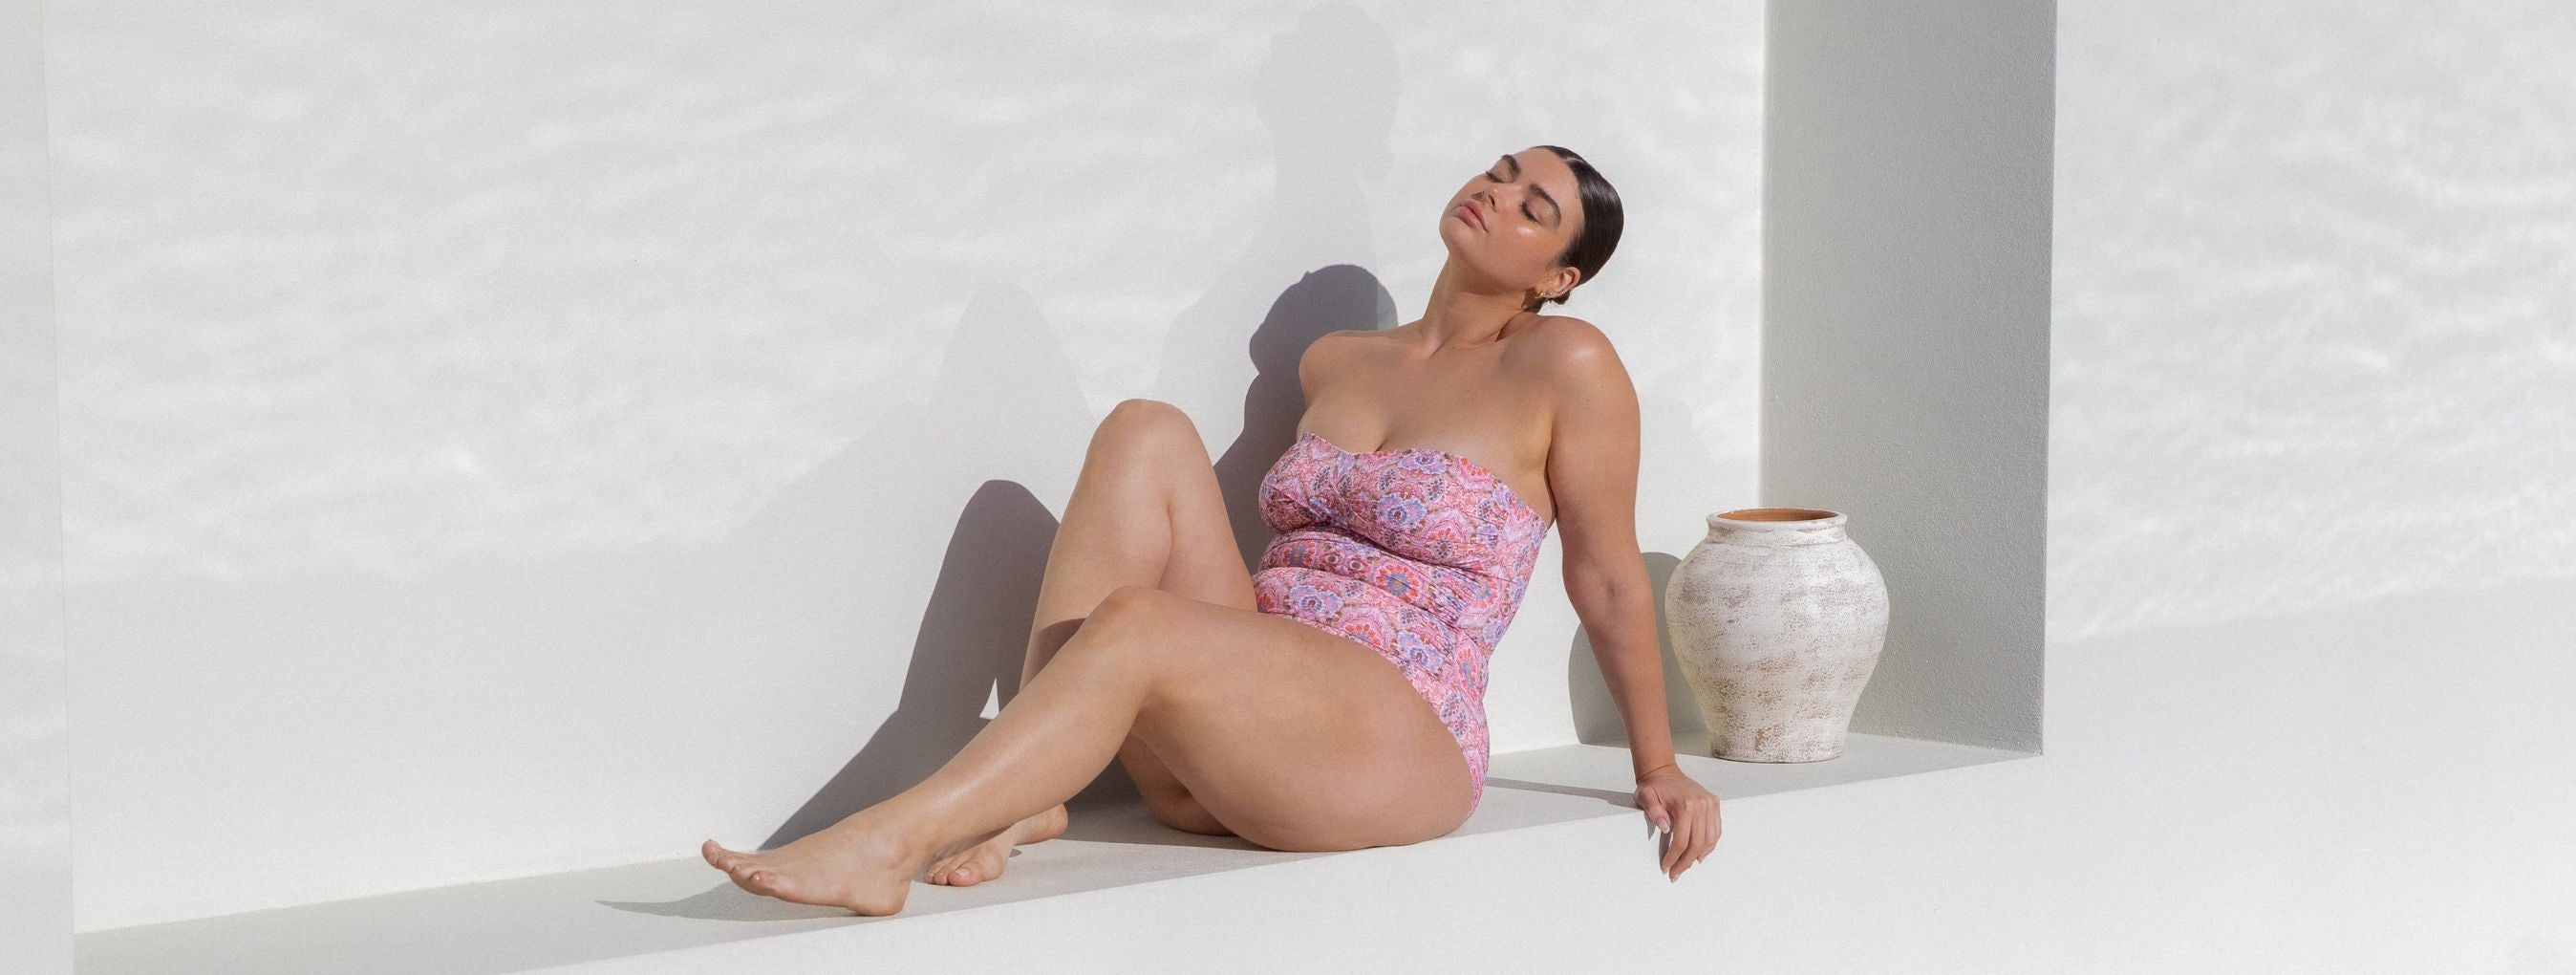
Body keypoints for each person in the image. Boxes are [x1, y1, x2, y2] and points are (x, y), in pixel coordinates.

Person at [705, 145, 1724, 916]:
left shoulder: (1566, 365)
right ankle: (1031, 793)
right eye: (1499, 174)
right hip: (1237, 737)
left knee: (1139, 622)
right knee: (1143, 429)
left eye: (1532, 206)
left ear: (1557, 278)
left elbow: (1604, 576)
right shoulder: (1337, 361)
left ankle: (890, 843)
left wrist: (1657, 767)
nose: (1495, 194)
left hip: (1393, 737)